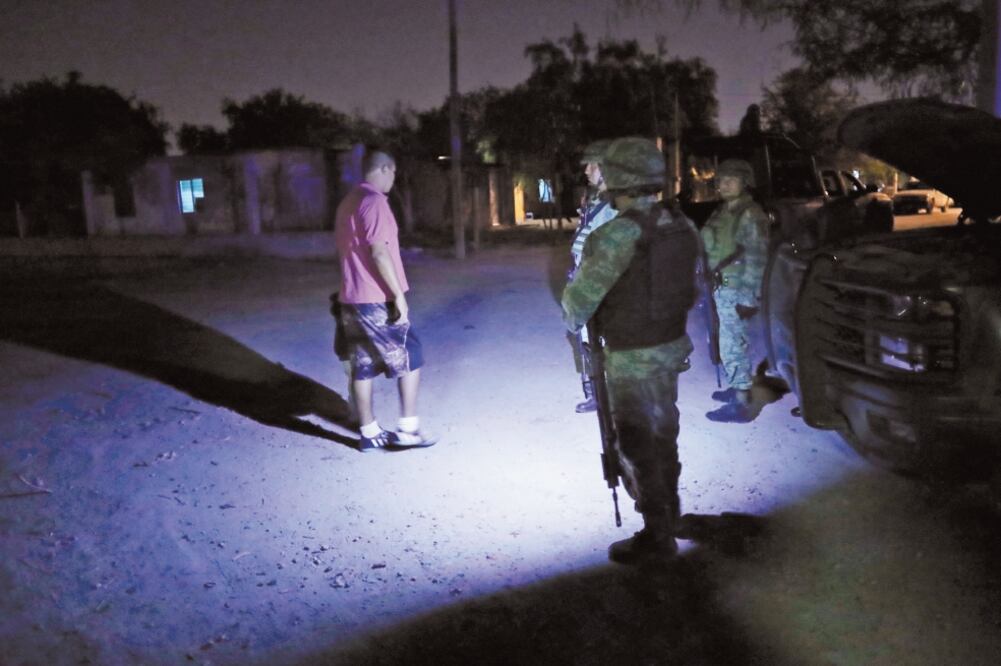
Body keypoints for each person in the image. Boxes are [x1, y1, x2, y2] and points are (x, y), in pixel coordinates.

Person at [562, 137, 699, 565]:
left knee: (637, 443)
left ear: (618, 179)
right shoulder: (681, 225)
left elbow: (577, 305)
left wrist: (574, 305)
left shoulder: (616, 234)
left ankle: (657, 535)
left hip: (630, 357)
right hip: (669, 349)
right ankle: (671, 513)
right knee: (665, 434)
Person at [333, 147, 435, 452]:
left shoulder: (347, 202)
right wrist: (397, 296)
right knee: (410, 354)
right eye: (393, 173)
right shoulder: (374, 202)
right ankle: (408, 429)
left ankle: (369, 431)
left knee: (362, 363)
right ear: (385, 169)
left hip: (351, 297)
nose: (394, 179)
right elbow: (379, 252)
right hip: (376, 297)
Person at [701, 158, 769, 424]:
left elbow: (757, 257)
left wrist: (748, 297)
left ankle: (741, 401)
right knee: (725, 341)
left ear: (745, 183)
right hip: (720, 286)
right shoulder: (723, 211)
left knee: (732, 343)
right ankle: (736, 383)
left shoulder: (750, 214)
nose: (724, 184)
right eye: (721, 180)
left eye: (731, 179)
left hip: (737, 287)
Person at [568, 139, 618, 413]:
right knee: (586, 340)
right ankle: (596, 394)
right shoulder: (597, 201)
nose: (587, 170)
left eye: (592, 165)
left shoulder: (617, 203)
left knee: (604, 341)